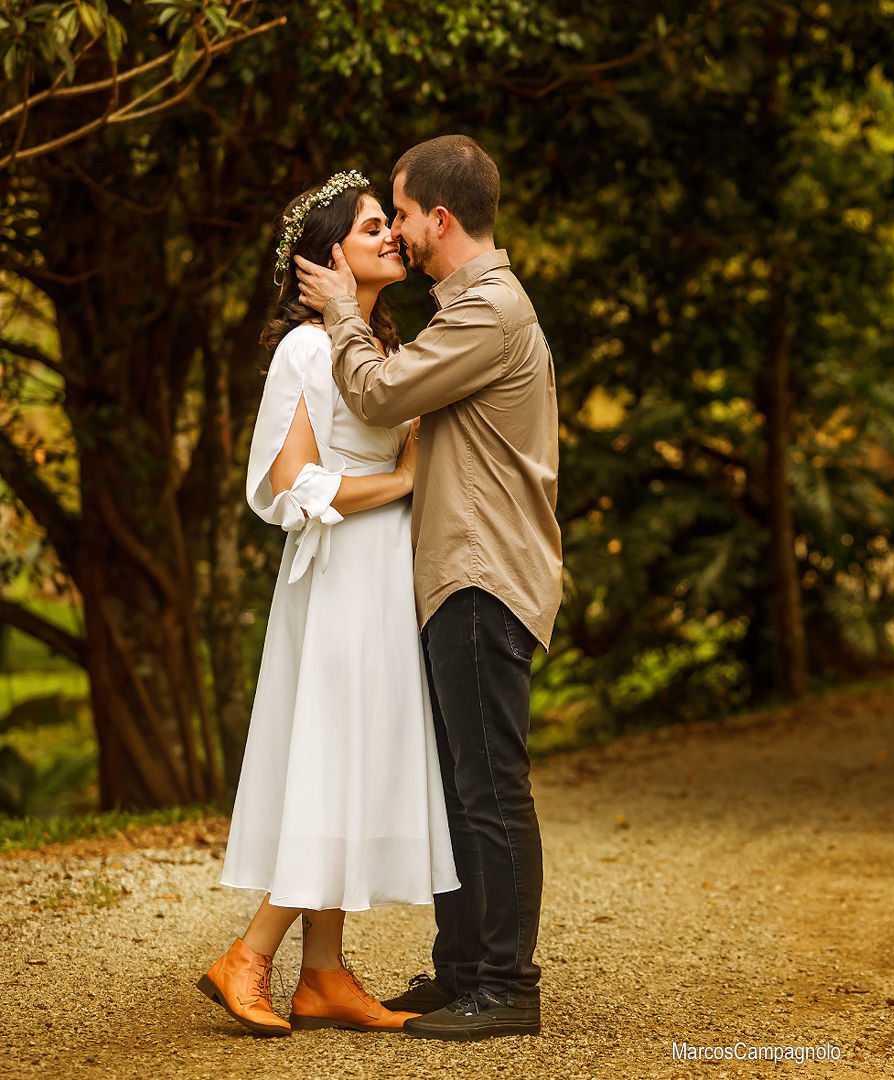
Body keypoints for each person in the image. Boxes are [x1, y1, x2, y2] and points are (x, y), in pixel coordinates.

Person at [295, 134, 563, 1042]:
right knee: (461, 784)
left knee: (488, 785)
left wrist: (339, 311)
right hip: (456, 572)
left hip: (483, 571)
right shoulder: (466, 308)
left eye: (402, 213)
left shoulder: (489, 309)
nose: (398, 230)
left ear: (438, 218)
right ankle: (462, 974)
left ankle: (507, 988)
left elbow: (374, 397)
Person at [198, 171, 460, 1037]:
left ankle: (325, 975)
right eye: (373, 227)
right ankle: (249, 955)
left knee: (353, 762)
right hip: (342, 577)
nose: (393, 237)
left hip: (380, 575)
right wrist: (401, 482)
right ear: (328, 259)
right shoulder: (308, 350)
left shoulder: (370, 348)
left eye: (392, 225)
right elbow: (288, 484)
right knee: (335, 761)